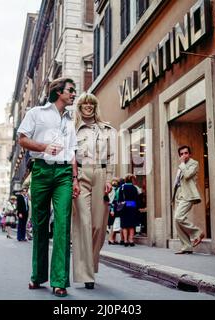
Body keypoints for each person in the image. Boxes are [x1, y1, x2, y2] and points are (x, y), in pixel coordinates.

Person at [18, 77, 80, 298]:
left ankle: (59, 281)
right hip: (42, 171)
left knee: (63, 224)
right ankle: (37, 275)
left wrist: (75, 179)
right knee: (40, 223)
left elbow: (72, 152)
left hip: (63, 173)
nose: (74, 94)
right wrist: (44, 147)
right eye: (71, 90)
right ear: (58, 92)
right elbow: (22, 139)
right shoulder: (37, 113)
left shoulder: (71, 121)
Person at [72, 92, 116, 290]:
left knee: (98, 225)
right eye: (84, 103)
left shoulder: (107, 130)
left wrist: (109, 179)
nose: (88, 106)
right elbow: (71, 157)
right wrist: (73, 179)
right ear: (79, 107)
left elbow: (111, 157)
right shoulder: (73, 130)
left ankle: (91, 265)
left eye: (91, 103)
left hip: (100, 173)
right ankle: (86, 274)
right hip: (81, 175)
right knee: (84, 223)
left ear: (95, 106)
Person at [172, 145, 205, 254]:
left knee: (178, 217)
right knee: (177, 221)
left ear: (189, 154)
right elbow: (177, 182)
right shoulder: (181, 166)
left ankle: (197, 233)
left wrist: (182, 164)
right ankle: (186, 246)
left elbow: (187, 175)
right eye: (181, 154)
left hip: (188, 195)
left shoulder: (193, 164)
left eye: (186, 153)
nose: (183, 155)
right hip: (179, 196)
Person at [117, 174, 140, 247]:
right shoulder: (134, 188)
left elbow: (119, 199)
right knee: (131, 225)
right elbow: (137, 199)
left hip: (124, 207)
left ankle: (126, 240)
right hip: (132, 207)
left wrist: (119, 208)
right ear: (132, 180)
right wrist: (137, 207)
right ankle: (131, 240)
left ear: (125, 180)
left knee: (124, 225)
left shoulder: (122, 188)